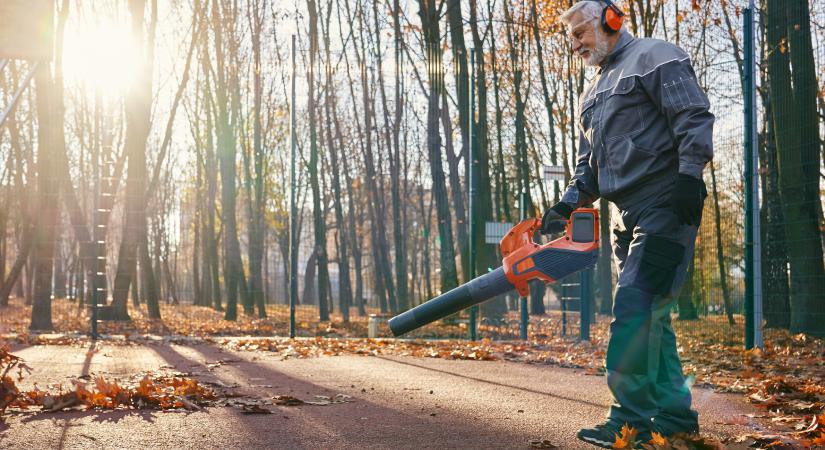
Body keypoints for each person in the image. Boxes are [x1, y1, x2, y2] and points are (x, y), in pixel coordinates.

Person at [541, 1, 713, 448]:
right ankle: (674, 416)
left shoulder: (655, 56)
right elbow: (590, 163)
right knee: (653, 312)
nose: (573, 44)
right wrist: (566, 204)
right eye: (570, 37)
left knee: (635, 308)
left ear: (611, 21)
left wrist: (690, 177)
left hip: (666, 203)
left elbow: (692, 115)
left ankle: (630, 420)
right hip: (626, 214)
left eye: (580, 33)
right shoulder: (593, 92)